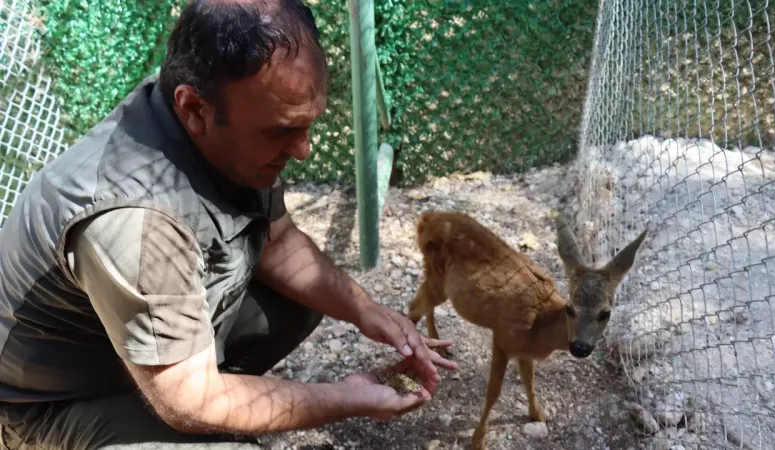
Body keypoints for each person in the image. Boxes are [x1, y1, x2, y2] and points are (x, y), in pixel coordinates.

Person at [0, 0, 457, 448]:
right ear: (194, 110)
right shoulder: (139, 221)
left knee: (301, 298)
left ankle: (199, 397)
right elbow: (188, 400)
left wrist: (366, 310)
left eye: (308, 125)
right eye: (282, 130)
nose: (303, 150)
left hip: (125, 354)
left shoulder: (217, 116)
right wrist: (347, 398)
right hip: (58, 403)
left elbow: (278, 242)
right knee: (207, 422)